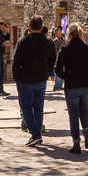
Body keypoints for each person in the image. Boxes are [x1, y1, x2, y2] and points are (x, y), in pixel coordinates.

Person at [54, 23, 88, 153]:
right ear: (80, 34)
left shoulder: (65, 49)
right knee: (84, 109)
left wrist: (66, 76)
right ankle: (86, 130)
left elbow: (57, 69)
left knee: (73, 115)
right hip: (86, 84)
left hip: (72, 83)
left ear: (69, 34)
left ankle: (76, 143)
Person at [12, 16, 57, 147]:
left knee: (26, 107)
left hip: (25, 79)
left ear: (29, 27)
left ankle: (35, 134)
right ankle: (37, 133)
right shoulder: (48, 42)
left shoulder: (23, 41)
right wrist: (48, 72)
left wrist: (16, 77)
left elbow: (16, 61)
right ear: (42, 28)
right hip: (41, 78)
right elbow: (52, 60)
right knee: (38, 107)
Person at [50, 27, 67, 92]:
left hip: (64, 58)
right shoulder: (55, 40)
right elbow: (54, 50)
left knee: (63, 71)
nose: (60, 31)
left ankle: (60, 85)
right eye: (58, 30)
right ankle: (57, 86)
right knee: (58, 72)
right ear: (56, 32)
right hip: (58, 58)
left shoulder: (63, 39)